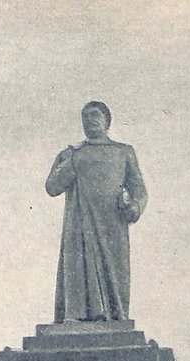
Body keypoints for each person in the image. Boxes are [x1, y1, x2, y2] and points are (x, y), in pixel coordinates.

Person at [45, 101, 147, 323]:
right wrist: (68, 163)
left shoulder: (123, 152)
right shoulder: (72, 154)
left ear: (107, 121)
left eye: (95, 115)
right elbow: (52, 187)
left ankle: (114, 317)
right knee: (78, 271)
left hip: (113, 225)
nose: (90, 120)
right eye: (86, 117)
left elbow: (139, 189)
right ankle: (77, 317)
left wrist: (135, 206)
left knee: (115, 277)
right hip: (80, 225)